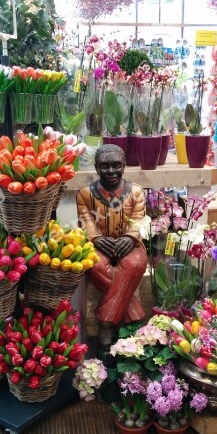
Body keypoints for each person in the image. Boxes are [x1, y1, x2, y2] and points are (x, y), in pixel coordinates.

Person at [76, 144, 147, 347]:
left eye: (116, 165)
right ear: (97, 169)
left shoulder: (136, 192)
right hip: (98, 246)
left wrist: (130, 238)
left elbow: (138, 219)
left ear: (124, 166)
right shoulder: (84, 194)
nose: (111, 171)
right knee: (93, 263)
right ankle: (133, 313)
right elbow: (86, 221)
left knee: (134, 265)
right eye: (104, 166)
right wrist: (96, 239)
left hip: (131, 246)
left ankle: (106, 322)